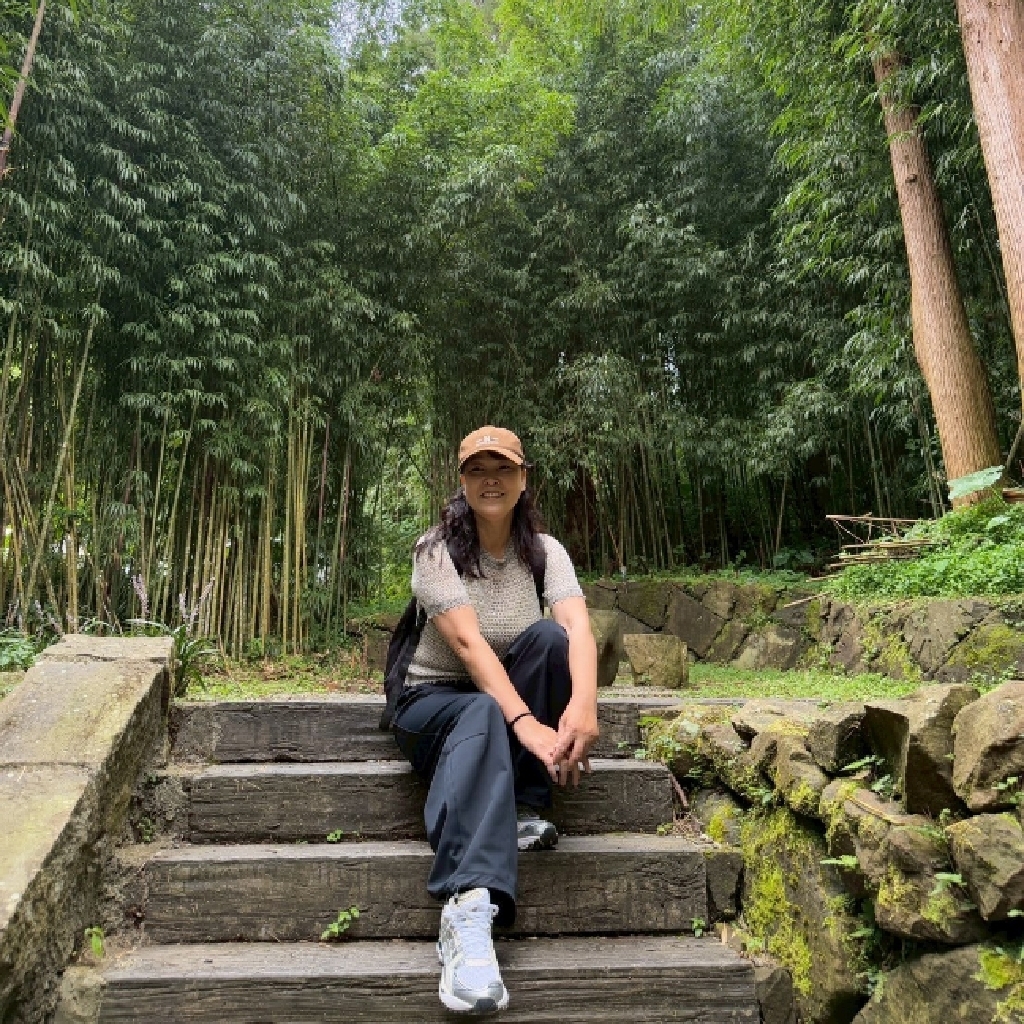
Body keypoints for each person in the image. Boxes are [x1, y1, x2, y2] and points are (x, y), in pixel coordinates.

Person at [390, 425, 600, 1014]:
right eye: (477, 470)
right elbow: (468, 646)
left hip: (497, 701)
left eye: (503, 468)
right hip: (431, 704)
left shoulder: (544, 551)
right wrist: (526, 722)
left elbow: (578, 627)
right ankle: (466, 904)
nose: (491, 480)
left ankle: (523, 805)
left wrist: (584, 704)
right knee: (483, 707)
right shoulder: (435, 550)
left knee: (550, 642)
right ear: (460, 482)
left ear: (523, 479)